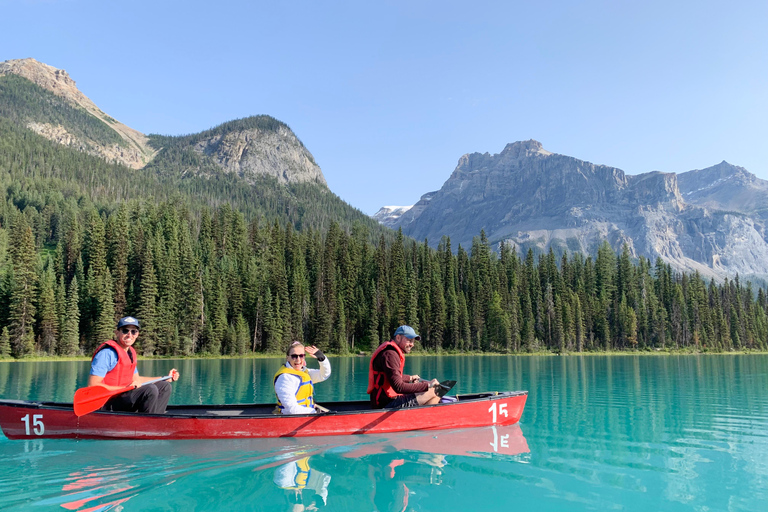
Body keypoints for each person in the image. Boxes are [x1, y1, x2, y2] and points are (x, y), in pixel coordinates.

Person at [88, 316, 180, 414]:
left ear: (137, 334)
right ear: (117, 333)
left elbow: (137, 380)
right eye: (125, 330)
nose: (129, 335)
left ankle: (156, 418)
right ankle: (147, 421)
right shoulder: (106, 354)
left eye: (133, 331)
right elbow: (93, 385)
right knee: (150, 389)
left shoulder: (130, 353)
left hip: (124, 397)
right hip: (107, 402)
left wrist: (165, 378)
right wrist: (125, 388)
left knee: (165, 386)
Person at [368, 325, 440, 409]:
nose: (412, 344)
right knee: (436, 391)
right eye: (409, 340)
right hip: (386, 404)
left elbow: (392, 377)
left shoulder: (390, 352)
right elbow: (399, 387)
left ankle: (423, 416)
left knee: (432, 391)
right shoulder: (390, 354)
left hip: (387, 400)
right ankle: (425, 417)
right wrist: (428, 385)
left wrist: (410, 378)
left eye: (413, 341)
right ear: (398, 338)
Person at [274, 341, 331, 414]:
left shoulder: (304, 373)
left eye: (301, 356)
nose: (298, 359)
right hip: (292, 417)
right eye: (294, 356)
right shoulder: (285, 378)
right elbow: (291, 410)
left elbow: (324, 375)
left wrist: (322, 358)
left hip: (306, 413)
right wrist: (314, 412)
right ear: (287, 358)